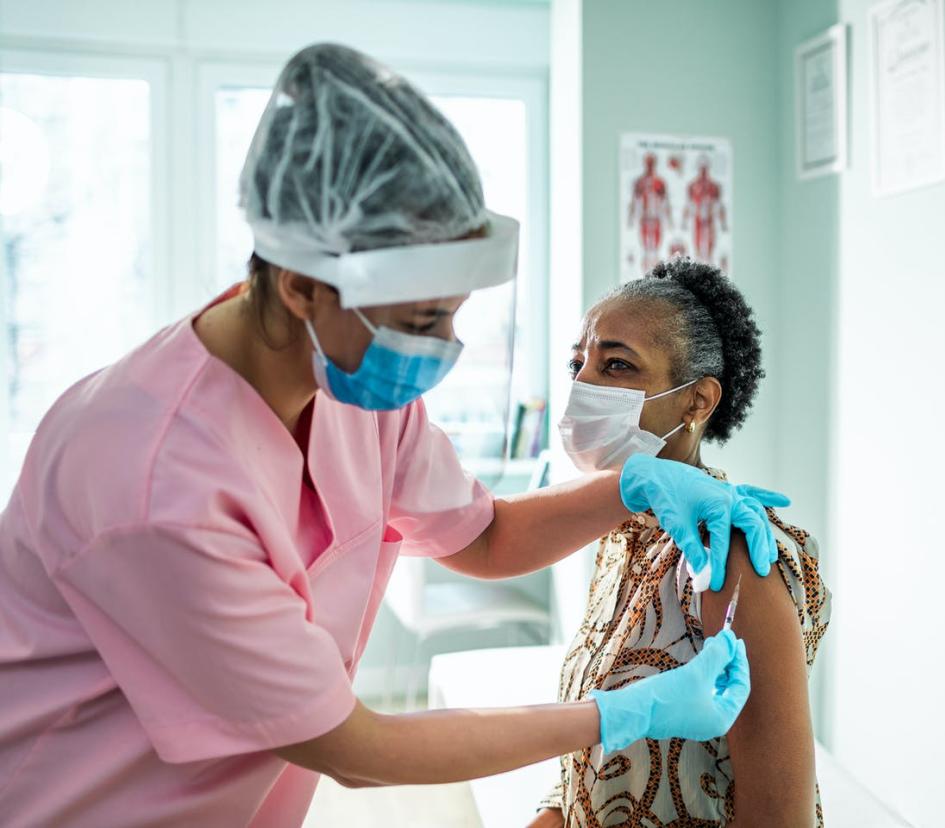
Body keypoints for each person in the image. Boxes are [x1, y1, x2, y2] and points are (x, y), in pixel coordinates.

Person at [0, 44, 787, 827]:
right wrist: (618, 715)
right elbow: (357, 750)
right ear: (303, 283)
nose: (444, 345)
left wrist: (629, 486)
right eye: (421, 320)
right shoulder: (151, 479)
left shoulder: (352, 383)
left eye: (453, 312)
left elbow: (483, 538)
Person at [531, 258, 829, 827]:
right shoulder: (622, 533)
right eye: (578, 363)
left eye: (617, 365)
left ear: (696, 403)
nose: (582, 386)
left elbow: (779, 818)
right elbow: (585, 764)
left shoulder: (731, 553)